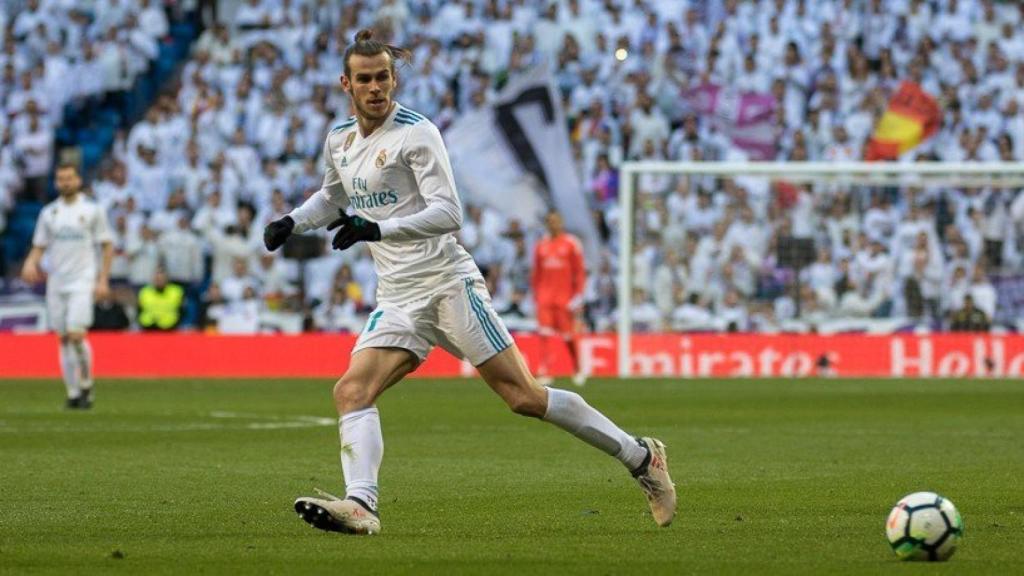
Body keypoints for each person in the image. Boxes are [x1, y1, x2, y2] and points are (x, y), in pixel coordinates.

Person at [263, 29, 675, 535]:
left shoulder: (417, 133)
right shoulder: (340, 141)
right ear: (345, 84)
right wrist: (292, 221)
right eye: (365, 79)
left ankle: (640, 458)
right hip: (397, 297)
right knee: (351, 391)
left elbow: (449, 213)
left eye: (384, 78)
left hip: (447, 284)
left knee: (524, 397)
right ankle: (362, 506)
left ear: (394, 80)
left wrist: (378, 228)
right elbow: (332, 196)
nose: (376, 88)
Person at [20, 163, 113, 409]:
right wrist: (31, 263)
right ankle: (73, 393)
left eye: (70, 178)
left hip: (83, 279)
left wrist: (102, 279)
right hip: (57, 281)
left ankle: (87, 384)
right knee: (62, 339)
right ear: (56, 183)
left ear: (78, 180)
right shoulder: (49, 213)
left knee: (76, 334)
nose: (66, 183)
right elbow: (40, 245)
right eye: (61, 179)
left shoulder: (93, 210)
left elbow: (106, 245)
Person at [531, 211, 588, 386]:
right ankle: (545, 371)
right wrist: (536, 295)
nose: (553, 224)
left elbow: (579, 272)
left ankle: (578, 369)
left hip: (565, 299)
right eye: (550, 221)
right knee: (544, 334)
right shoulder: (541, 245)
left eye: (556, 221)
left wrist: (578, 296)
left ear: (561, 222)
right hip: (545, 298)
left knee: (568, 336)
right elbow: (536, 274)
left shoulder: (571, 243)